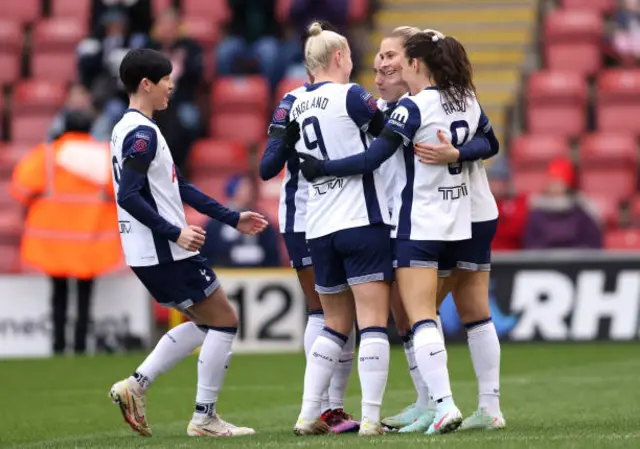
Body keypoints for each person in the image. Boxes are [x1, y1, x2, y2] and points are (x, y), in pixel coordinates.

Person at [299, 30, 489, 435]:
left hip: (412, 222)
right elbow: (490, 140)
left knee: (414, 316)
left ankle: (441, 404)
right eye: (379, 59)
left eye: (392, 58)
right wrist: (458, 152)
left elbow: (372, 157)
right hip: (457, 219)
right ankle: (457, 403)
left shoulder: (410, 108)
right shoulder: (465, 97)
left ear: (414, 63)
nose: (384, 66)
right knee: (442, 315)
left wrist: (323, 168)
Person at [107, 48, 268, 438]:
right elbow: (128, 196)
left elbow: (181, 187)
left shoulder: (127, 127)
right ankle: (204, 418)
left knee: (205, 322)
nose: (171, 86)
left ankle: (137, 386)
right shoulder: (143, 133)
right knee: (225, 322)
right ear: (146, 84)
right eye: (166, 80)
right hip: (164, 250)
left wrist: (232, 216)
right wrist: (174, 232)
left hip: (149, 251)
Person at [290, 22, 393, 437]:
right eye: (350, 56)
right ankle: (370, 419)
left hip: (318, 226)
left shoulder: (294, 104)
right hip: (361, 219)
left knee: (333, 324)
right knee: (371, 323)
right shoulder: (352, 95)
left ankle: (306, 414)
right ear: (338, 57)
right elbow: (388, 137)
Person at [260, 20, 359, 434]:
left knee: (335, 311)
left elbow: (266, 167)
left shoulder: (294, 102)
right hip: (312, 214)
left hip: (317, 216)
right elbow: (269, 167)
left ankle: (329, 408)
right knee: (328, 310)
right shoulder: (329, 100)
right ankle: (323, 407)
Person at [10, 110, 122, 355]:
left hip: (54, 240)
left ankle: (58, 345)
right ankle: (81, 345)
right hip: (91, 239)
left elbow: (20, 187)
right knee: (85, 295)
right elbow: (122, 191)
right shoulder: (105, 155)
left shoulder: (48, 154)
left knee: (58, 294)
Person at [199, 174, 281, 268]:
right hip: (226, 273)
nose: (248, 192)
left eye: (250, 189)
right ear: (233, 190)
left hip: (257, 274)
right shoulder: (216, 222)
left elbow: (272, 253)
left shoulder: (261, 219)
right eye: (243, 188)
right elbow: (207, 252)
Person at [523, 157, 602, 249]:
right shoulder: (536, 214)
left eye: (559, 181)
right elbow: (530, 245)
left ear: (568, 185)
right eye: (552, 180)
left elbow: (592, 245)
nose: (555, 185)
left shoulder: (582, 213)